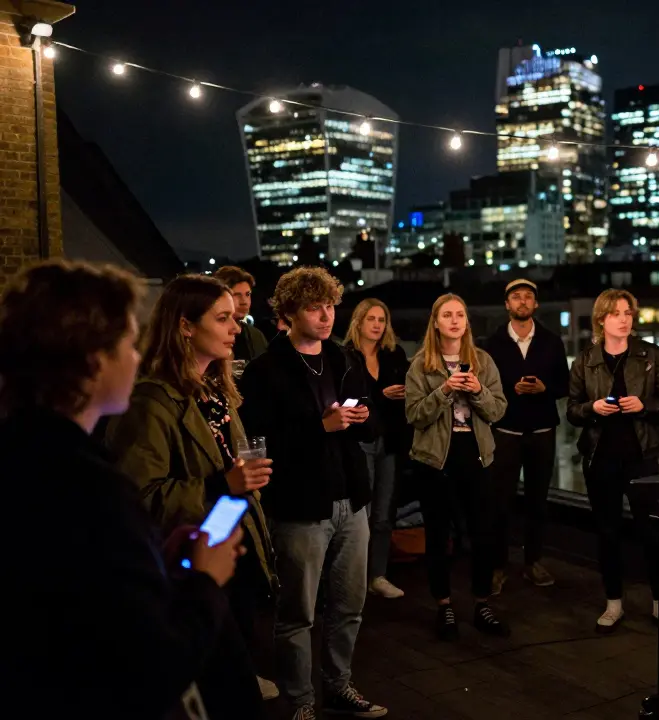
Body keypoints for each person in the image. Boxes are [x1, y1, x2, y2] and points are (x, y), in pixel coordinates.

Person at [1, 260, 247, 718]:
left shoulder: (26, 451)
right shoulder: (87, 486)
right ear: (94, 360)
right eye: (128, 342)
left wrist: (154, 559)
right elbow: (153, 662)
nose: (137, 356)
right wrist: (203, 579)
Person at [105, 274, 281, 706]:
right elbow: (137, 498)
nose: (235, 327)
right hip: (189, 566)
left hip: (227, 547)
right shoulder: (151, 401)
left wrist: (243, 484)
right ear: (185, 326)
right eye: (222, 318)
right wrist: (224, 484)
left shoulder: (217, 391)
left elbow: (231, 465)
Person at [238, 267, 387, 720]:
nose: (326, 316)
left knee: (349, 605)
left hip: (351, 499)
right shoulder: (266, 369)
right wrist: (317, 427)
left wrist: (363, 420)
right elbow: (257, 441)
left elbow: (374, 422)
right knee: (298, 612)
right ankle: (300, 701)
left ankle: (338, 686)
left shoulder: (344, 359)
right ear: (288, 313)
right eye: (313, 307)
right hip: (301, 505)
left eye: (330, 306)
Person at [566, 289, 659, 633]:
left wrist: (642, 406)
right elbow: (572, 411)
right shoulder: (585, 360)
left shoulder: (649, 355)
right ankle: (613, 602)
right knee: (608, 532)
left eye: (628, 313)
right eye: (616, 313)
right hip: (600, 458)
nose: (624, 319)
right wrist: (593, 409)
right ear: (601, 320)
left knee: (653, 532)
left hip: (641, 457)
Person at [404, 293, 511, 639]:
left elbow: (497, 411)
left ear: (466, 322)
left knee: (483, 532)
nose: (454, 320)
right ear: (435, 322)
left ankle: (482, 603)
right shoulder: (421, 365)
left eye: (460, 315)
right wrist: (445, 391)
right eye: (447, 315)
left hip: (476, 453)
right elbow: (414, 415)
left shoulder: (482, 361)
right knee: (439, 535)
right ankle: (444, 605)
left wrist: (478, 389)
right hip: (435, 459)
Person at [485, 278, 570, 592]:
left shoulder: (551, 341)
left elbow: (565, 384)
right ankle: (497, 566)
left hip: (542, 431)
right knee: (500, 502)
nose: (522, 301)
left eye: (528, 297)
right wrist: (512, 390)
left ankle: (533, 562)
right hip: (505, 431)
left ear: (535, 305)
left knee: (538, 501)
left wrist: (545, 388)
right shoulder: (492, 343)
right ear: (507, 305)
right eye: (516, 297)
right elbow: (484, 387)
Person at [343, 298, 411, 600]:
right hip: (360, 440)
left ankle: (377, 575)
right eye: (371, 319)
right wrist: (380, 396)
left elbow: (412, 386)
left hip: (391, 439)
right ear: (358, 322)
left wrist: (404, 393)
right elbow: (346, 399)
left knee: (384, 513)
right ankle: (353, 578)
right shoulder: (346, 357)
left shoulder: (395, 355)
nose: (377, 325)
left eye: (381, 319)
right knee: (362, 513)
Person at [213, 266, 269, 372]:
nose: (244, 301)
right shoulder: (209, 335)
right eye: (236, 295)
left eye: (248, 294)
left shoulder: (256, 336)